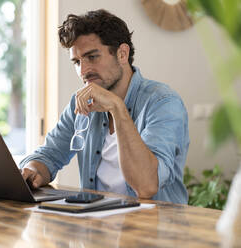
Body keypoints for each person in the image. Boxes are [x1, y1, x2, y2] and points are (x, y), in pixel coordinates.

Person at [19, 9, 189, 204]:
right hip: (96, 225)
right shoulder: (80, 103)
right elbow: (49, 155)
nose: (83, 71)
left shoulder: (163, 102)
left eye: (92, 57)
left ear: (122, 54)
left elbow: (146, 186)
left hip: (152, 229)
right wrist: (32, 170)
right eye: (76, 62)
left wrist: (117, 108)